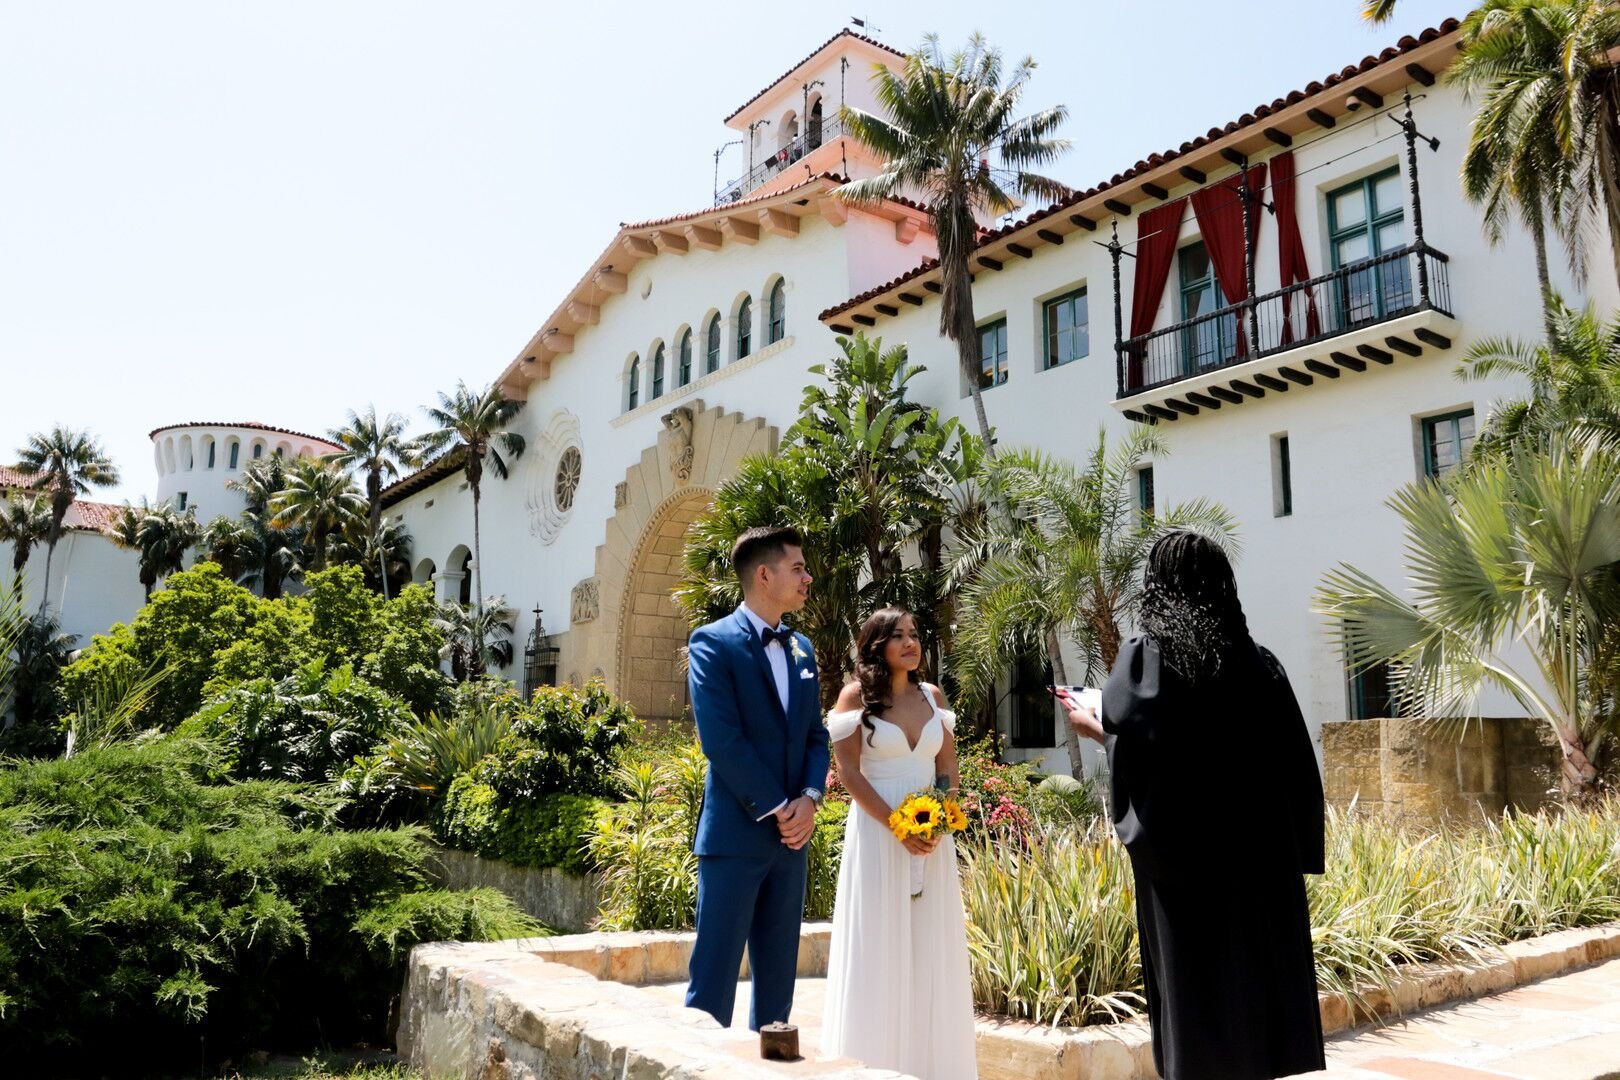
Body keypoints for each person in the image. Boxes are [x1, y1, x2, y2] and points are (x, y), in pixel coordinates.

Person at [1062, 530, 1325, 1080]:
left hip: (1186, 877)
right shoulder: (1262, 666)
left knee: (1196, 1007)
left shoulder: (1146, 660)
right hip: (1260, 870)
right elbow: (1298, 767)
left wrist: (1097, 728)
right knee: (1256, 1006)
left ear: (1157, 588)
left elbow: (1145, 756)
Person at [821, 608, 977, 1080]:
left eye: (914, 635)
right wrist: (898, 826)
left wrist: (940, 819)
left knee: (930, 943)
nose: (911, 643)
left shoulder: (933, 696)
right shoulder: (856, 697)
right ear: (876, 645)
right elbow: (848, 773)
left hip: (931, 838)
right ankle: (874, 1064)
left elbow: (947, 766)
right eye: (899, 636)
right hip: (878, 833)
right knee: (880, 943)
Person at [685, 525, 830, 1031]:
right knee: (713, 980)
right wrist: (778, 807)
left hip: (793, 842)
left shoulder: (803, 650)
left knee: (777, 991)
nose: (808, 577)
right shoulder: (712, 643)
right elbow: (720, 740)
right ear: (764, 575)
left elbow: (816, 734)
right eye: (798, 568)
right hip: (735, 836)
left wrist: (809, 800)